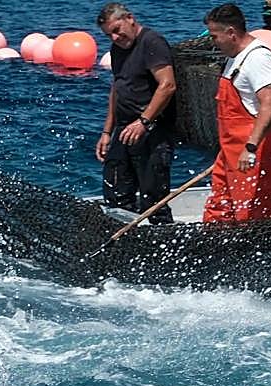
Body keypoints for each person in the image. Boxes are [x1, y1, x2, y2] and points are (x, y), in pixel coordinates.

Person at [201, 3, 271, 224]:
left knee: (254, 213)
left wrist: (250, 148)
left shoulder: (259, 59)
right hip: (230, 153)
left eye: (214, 36)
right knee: (220, 210)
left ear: (231, 33)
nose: (212, 42)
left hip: (253, 153)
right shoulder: (235, 58)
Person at [95, 3, 178, 222]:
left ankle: (162, 235)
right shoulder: (117, 49)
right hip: (124, 128)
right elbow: (117, 88)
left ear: (130, 19)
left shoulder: (152, 42)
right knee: (116, 191)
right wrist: (106, 132)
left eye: (117, 30)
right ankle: (125, 236)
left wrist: (143, 121)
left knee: (153, 197)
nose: (115, 38)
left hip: (152, 128)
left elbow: (167, 85)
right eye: (108, 35)